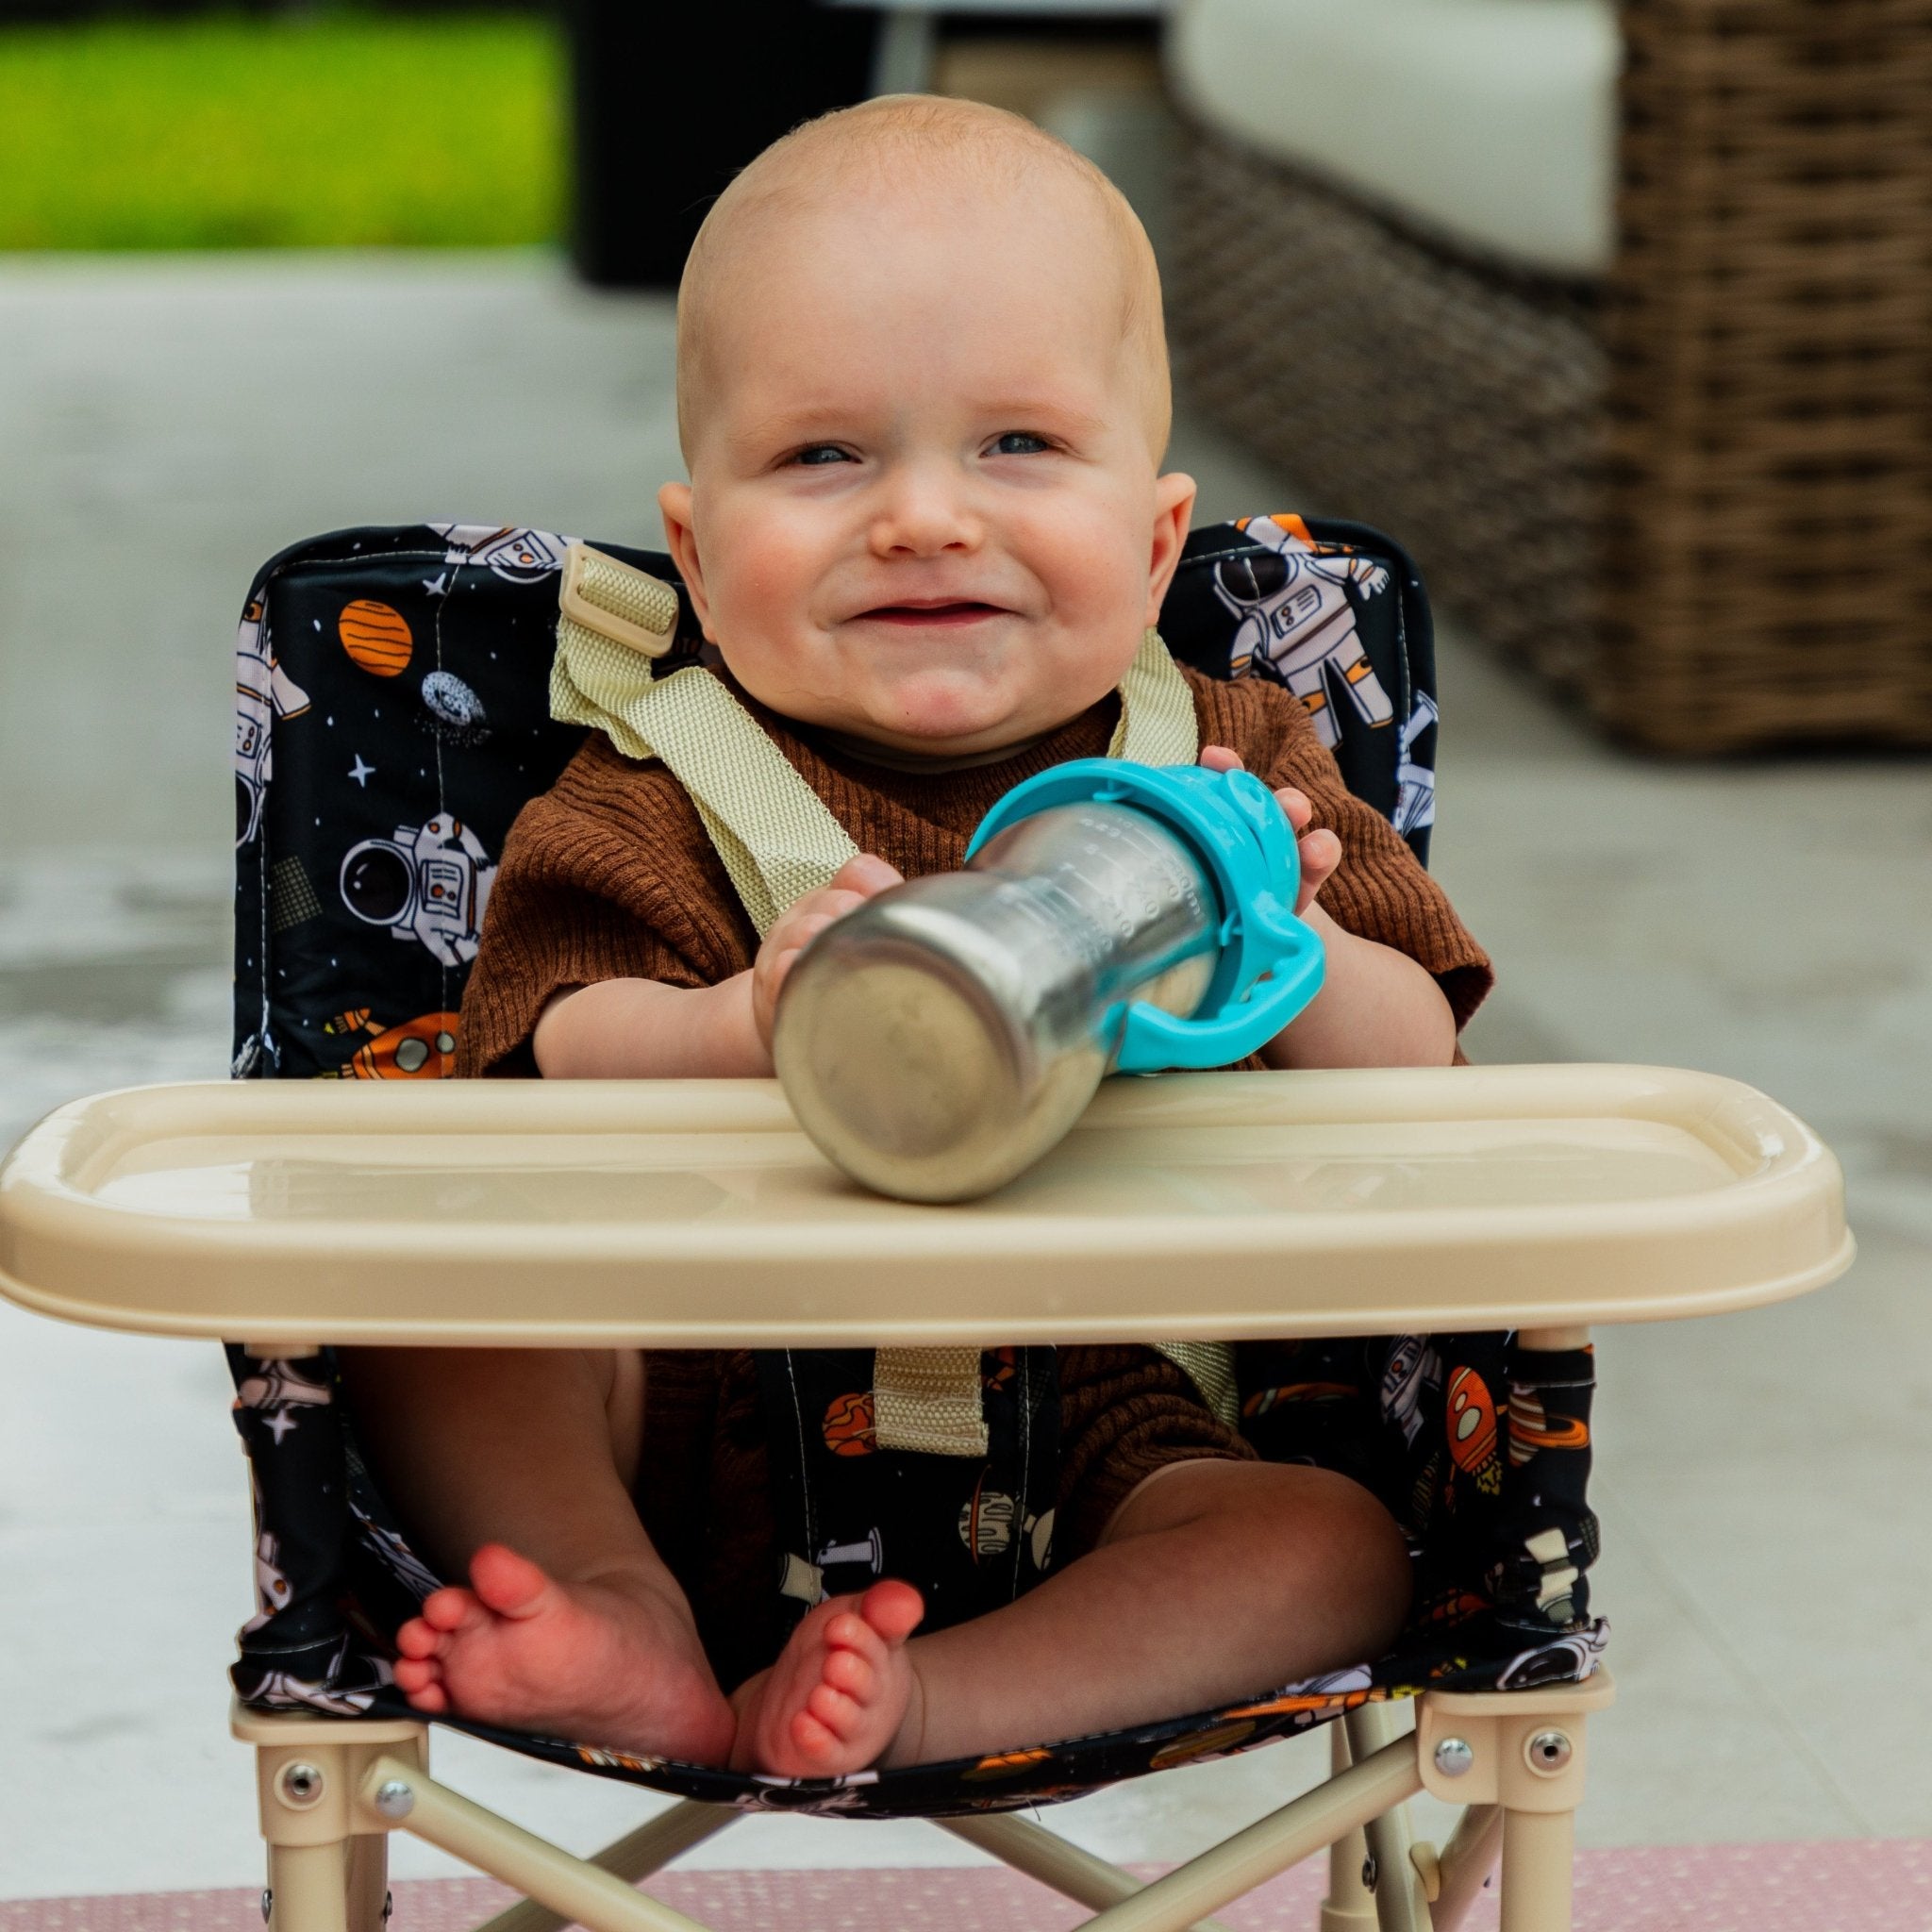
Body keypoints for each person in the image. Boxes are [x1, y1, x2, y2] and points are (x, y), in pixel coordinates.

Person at [340, 93, 1492, 1780]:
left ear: (1159, 539)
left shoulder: (1246, 767)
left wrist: (1294, 937)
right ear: (700, 555)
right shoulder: (654, 780)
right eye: (824, 456)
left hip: (1117, 1426)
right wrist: (738, 1026)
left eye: (1018, 445)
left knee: (1335, 1551)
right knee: (429, 1305)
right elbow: (550, 1053)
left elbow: (1431, 1076)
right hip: (698, 1396)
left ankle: (946, 1699)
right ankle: (622, 1617)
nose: (926, 517)